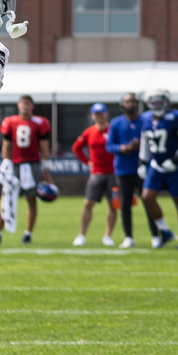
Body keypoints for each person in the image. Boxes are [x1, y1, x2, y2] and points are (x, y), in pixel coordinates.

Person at [139, 89, 178, 249]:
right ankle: (164, 231)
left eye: (160, 102)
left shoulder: (175, 117)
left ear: (166, 102)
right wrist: (143, 162)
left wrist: (177, 158)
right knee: (147, 197)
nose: (157, 105)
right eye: (154, 102)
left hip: (175, 166)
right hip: (156, 165)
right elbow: (145, 141)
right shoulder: (145, 119)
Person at [106, 92, 156, 249]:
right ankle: (128, 237)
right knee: (125, 205)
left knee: (148, 202)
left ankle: (156, 235)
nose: (131, 104)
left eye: (133, 101)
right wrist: (123, 148)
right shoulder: (116, 123)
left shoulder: (145, 121)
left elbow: (154, 141)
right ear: (122, 104)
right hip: (123, 169)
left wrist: (140, 144)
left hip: (142, 168)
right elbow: (109, 146)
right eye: (128, 101)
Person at [0, 95, 53, 244]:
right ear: (18, 105)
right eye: (23, 103)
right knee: (6, 199)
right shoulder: (9, 122)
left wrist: (46, 170)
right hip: (14, 164)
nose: (25, 106)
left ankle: (28, 233)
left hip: (32, 165)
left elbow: (44, 147)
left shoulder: (40, 122)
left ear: (32, 106)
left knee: (31, 199)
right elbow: (6, 145)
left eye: (28, 104)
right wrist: (6, 162)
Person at [71, 103, 117, 247]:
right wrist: (87, 161)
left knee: (113, 205)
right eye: (96, 114)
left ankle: (108, 236)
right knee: (88, 203)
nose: (99, 116)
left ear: (106, 114)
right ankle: (82, 235)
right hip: (96, 173)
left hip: (113, 173)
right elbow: (76, 147)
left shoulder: (112, 130)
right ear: (92, 116)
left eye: (101, 113)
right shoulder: (89, 132)